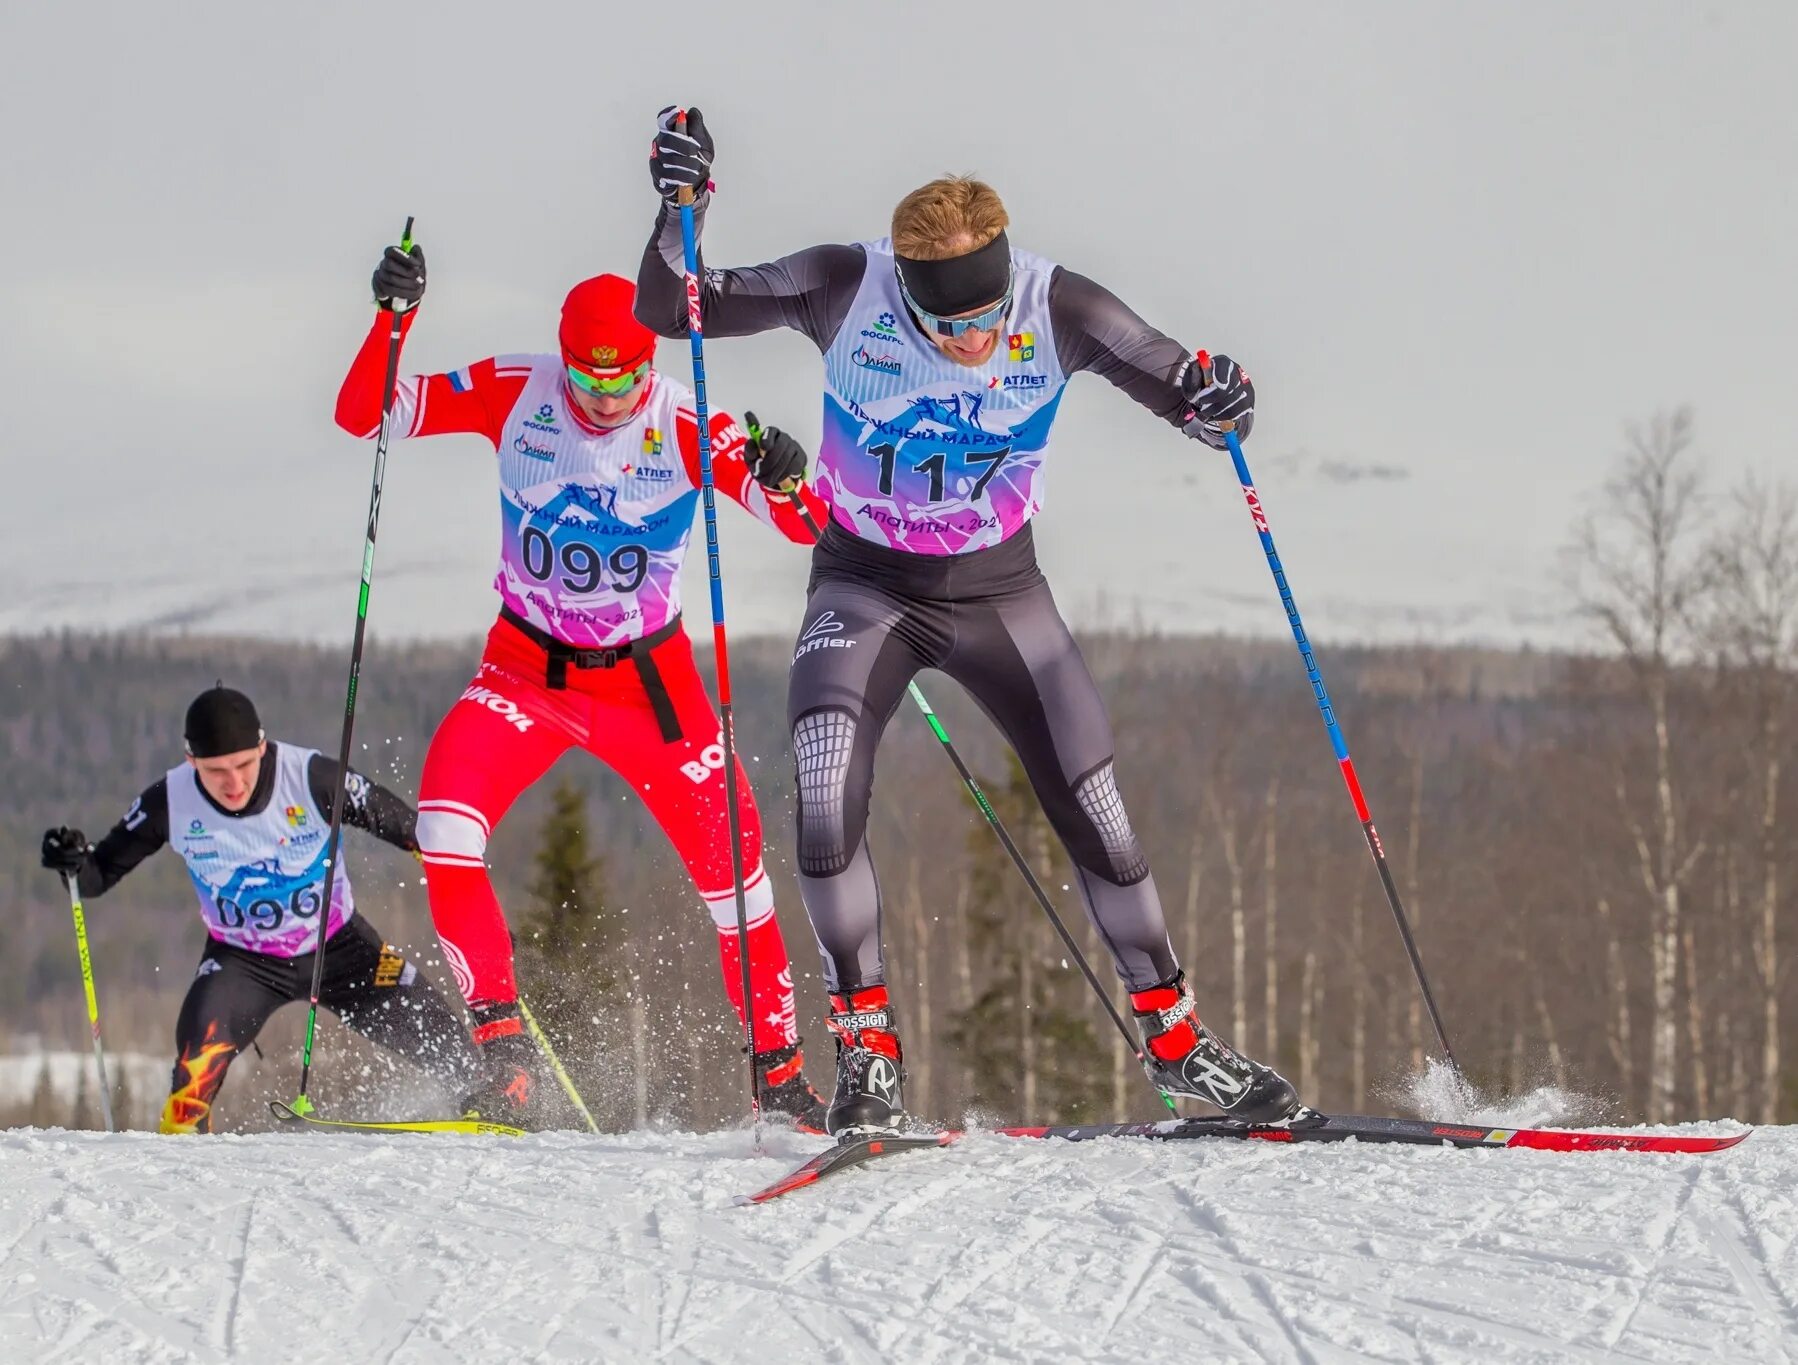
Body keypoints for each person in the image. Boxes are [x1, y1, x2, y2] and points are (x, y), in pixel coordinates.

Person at [636, 106, 1303, 1135]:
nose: (970, 343)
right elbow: (671, 307)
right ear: (904, 288)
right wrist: (681, 204)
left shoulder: (1056, 302)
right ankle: (869, 1056)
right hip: (865, 587)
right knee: (821, 791)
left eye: (983, 321)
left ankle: (1177, 1047)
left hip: (1002, 594)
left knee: (1100, 808)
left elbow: (1189, 391)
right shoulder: (843, 285)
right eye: (944, 327)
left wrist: (1221, 400)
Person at [334, 247, 832, 1129]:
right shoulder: (516, 389)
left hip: (650, 684)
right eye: (590, 385)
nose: (606, 403)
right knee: (445, 829)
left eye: (626, 383)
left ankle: (781, 1082)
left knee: (738, 883)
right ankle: (505, 1057)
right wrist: (391, 321)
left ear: (651, 363)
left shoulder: (684, 422)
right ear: (564, 362)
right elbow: (364, 413)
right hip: (523, 673)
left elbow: (806, 524)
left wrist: (789, 473)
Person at [39, 686, 476, 1133]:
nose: (235, 783)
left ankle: (484, 1106)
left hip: (340, 948)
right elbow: (95, 878)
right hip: (242, 963)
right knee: (192, 1075)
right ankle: (183, 1164)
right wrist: (71, 861)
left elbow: (413, 833)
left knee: (446, 1040)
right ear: (192, 762)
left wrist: (471, 901)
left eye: (245, 764)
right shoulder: (169, 801)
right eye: (216, 771)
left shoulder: (311, 777)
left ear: (263, 747)